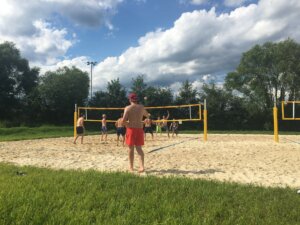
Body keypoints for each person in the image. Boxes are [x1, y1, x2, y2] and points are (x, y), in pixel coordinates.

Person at [122, 93, 148, 173]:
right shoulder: (142, 107)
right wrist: (146, 119)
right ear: (136, 99)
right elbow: (147, 115)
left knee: (131, 149)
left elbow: (123, 121)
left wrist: (127, 126)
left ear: (130, 99)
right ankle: (142, 167)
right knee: (139, 149)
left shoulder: (128, 108)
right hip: (139, 129)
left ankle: (131, 167)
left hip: (131, 129)